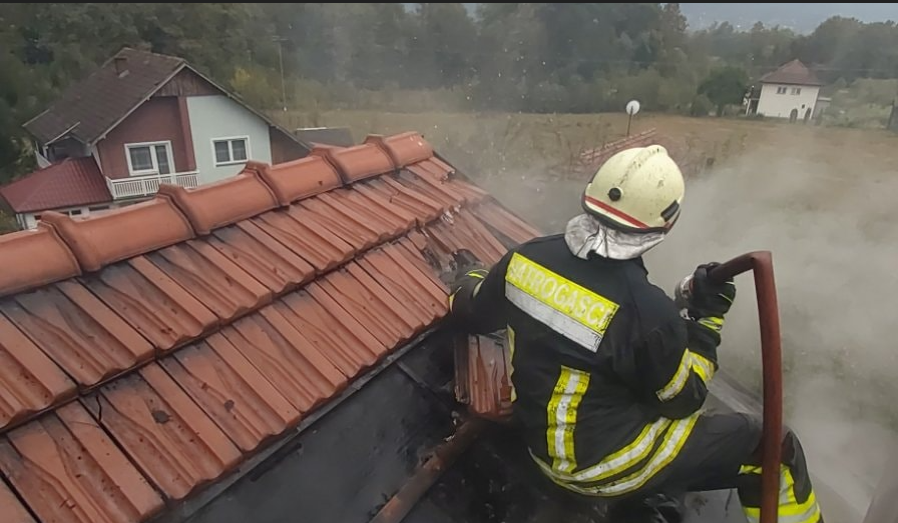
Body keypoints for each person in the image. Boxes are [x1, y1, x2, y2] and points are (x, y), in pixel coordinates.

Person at [448, 145, 823, 523]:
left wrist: (471, 276)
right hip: (607, 467)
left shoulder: (524, 259)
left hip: (542, 450)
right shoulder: (647, 311)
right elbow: (684, 400)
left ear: (589, 195)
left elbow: (473, 308)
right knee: (773, 446)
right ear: (667, 223)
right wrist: (707, 321)